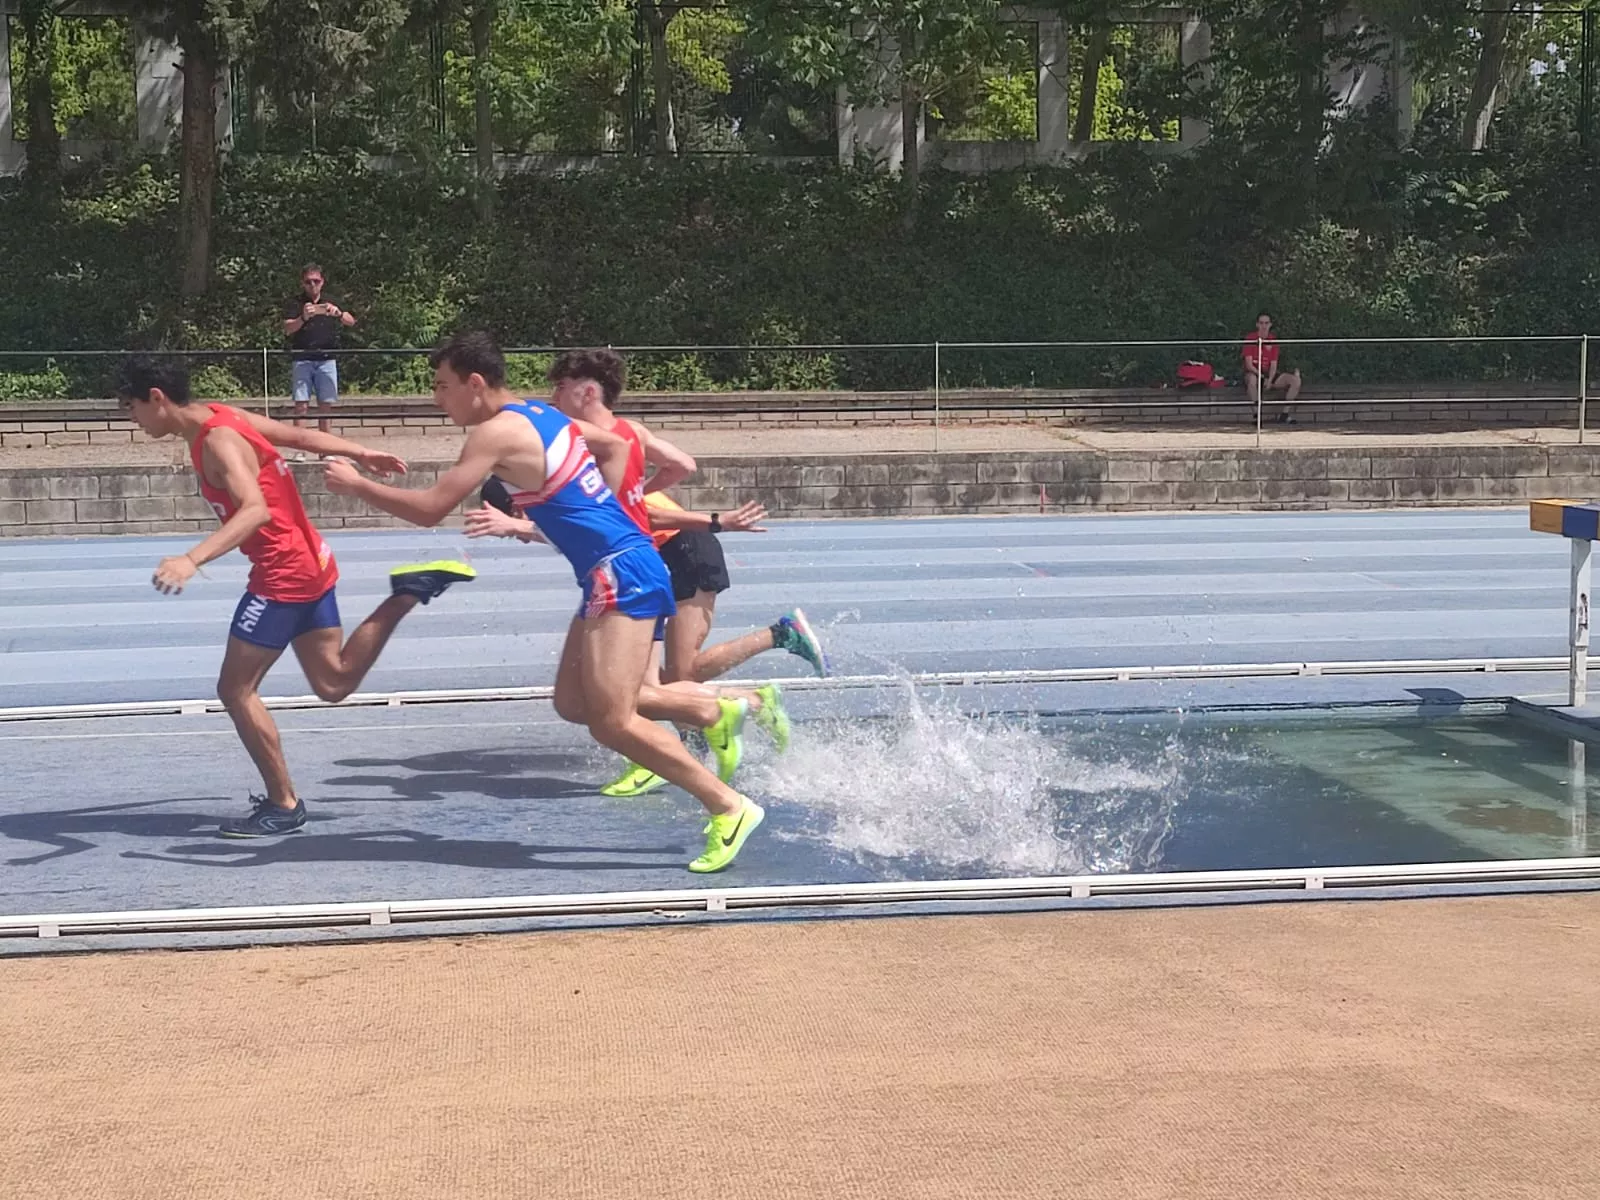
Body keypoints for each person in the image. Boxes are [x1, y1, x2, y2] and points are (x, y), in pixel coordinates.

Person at [324, 331, 767, 873]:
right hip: (611, 567)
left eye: (442, 387)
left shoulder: (494, 433)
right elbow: (617, 446)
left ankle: (729, 805)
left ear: (476, 383)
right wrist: (598, 508)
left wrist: (355, 485)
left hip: (620, 569)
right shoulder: (540, 413)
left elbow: (429, 510)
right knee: (573, 703)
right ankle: (713, 710)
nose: (436, 400)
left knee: (612, 721)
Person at [114, 354, 476, 838]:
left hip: (282, 576)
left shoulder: (219, 440)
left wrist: (191, 560)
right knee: (334, 683)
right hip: (312, 564)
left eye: (132, 409)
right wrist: (361, 453)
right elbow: (301, 437)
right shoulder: (226, 415)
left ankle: (283, 804)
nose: (133, 421)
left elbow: (256, 510)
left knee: (234, 689)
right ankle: (409, 591)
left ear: (156, 398)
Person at [282, 263, 356, 433]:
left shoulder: (332, 300)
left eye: (316, 281)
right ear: (303, 283)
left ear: (322, 282)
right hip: (302, 358)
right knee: (301, 405)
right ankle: (300, 448)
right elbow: (287, 329)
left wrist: (338, 314)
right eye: (308, 282)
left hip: (327, 359)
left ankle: (325, 448)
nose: (313, 285)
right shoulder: (295, 303)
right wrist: (303, 317)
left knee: (326, 405)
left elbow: (351, 322)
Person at [1242, 312, 1302, 424]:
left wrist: (1269, 380)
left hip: (1269, 373)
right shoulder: (1250, 338)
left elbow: (1274, 364)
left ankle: (1284, 415)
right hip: (1255, 371)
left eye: (1266, 323)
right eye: (1261, 323)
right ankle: (1257, 416)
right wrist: (1262, 376)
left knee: (1296, 380)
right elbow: (1249, 364)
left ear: (1270, 325)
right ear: (1257, 325)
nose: (1264, 326)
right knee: (1251, 380)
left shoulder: (1273, 340)